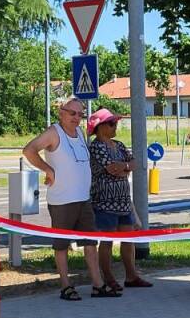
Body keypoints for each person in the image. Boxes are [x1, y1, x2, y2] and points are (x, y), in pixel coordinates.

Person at [22, 98, 116, 300]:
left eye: (80, 115)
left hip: (83, 198)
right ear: (61, 112)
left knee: (90, 242)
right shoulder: (53, 132)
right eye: (72, 113)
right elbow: (29, 150)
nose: (76, 118)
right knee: (61, 245)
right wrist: (47, 169)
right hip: (62, 200)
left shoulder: (80, 133)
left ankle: (97, 284)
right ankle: (66, 286)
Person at [87, 108, 152, 290]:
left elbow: (133, 163)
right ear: (100, 127)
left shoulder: (119, 145)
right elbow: (111, 169)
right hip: (104, 201)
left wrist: (124, 167)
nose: (115, 126)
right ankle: (108, 278)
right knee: (107, 241)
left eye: (115, 122)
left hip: (123, 201)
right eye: (111, 123)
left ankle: (131, 276)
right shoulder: (96, 147)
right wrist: (124, 168)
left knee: (128, 238)